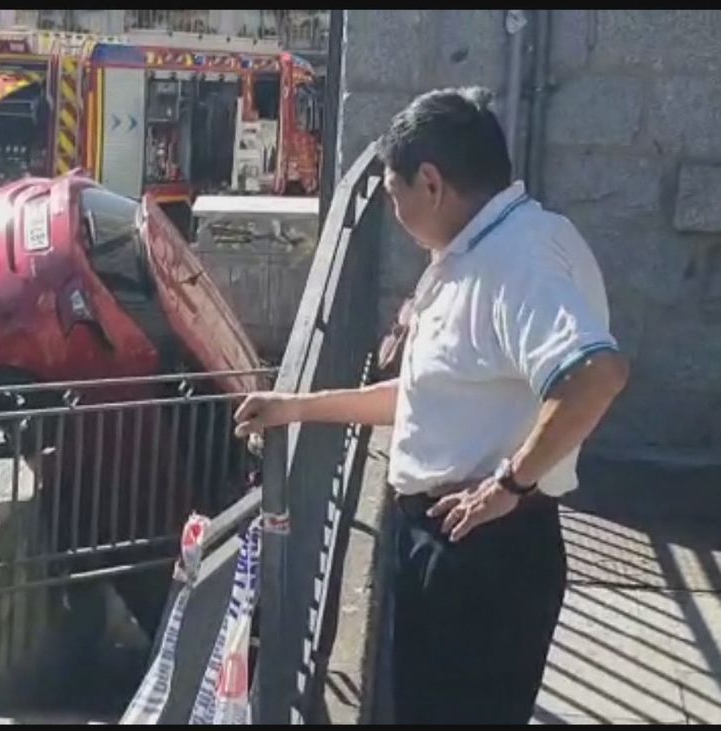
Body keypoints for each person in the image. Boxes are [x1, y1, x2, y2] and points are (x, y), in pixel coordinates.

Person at [234, 87, 629, 725]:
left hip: (481, 558)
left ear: (432, 182)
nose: (393, 213)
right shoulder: (479, 251)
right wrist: (296, 405)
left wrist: (508, 483)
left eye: (393, 196)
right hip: (455, 546)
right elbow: (424, 401)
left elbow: (597, 373)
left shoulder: (517, 260)